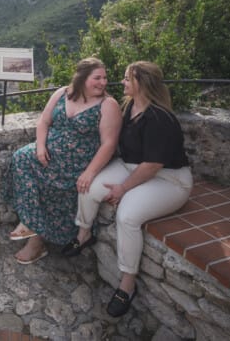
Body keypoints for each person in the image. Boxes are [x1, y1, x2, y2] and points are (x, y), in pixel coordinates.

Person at [63, 61, 193, 318]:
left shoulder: (159, 118)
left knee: (128, 216)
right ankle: (84, 235)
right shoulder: (130, 107)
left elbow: (153, 165)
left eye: (126, 79)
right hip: (131, 166)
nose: (121, 82)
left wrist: (123, 189)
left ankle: (127, 283)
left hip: (168, 179)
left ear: (141, 84)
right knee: (88, 187)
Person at [6, 57, 121, 265]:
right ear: (82, 78)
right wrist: (40, 146)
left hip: (77, 163)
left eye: (105, 78)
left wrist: (90, 172)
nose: (103, 82)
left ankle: (35, 237)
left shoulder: (108, 105)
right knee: (21, 158)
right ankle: (30, 223)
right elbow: (44, 121)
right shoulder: (62, 93)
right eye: (97, 78)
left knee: (49, 182)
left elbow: (109, 144)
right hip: (50, 154)